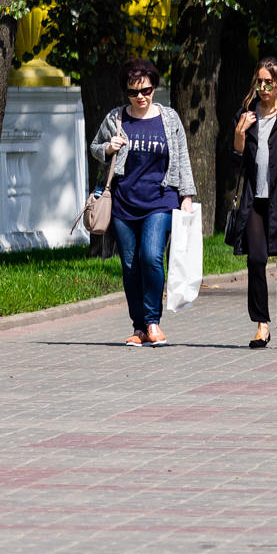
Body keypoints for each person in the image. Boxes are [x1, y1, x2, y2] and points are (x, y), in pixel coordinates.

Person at [89, 59, 196, 346]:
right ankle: (138, 327)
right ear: (126, 92)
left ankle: (152, 321)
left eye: (146, 91)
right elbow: (95, 147)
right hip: (123, 203)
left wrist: (186, 195)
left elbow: (182, 157)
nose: (140, 97)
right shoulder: (116, 118)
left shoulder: (169, 119)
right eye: (134, 92)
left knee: (150, 257)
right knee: (129, 264)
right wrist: (108, 148)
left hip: (160, 200)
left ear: (154, 88)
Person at [226, 57, 277, 350]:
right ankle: (262, 325)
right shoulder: (247, 113)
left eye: (269, 83)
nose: (262, 88)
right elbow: (237, 159)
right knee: (256, 260)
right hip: (255, 199)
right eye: (259, 82)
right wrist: (239, 133)